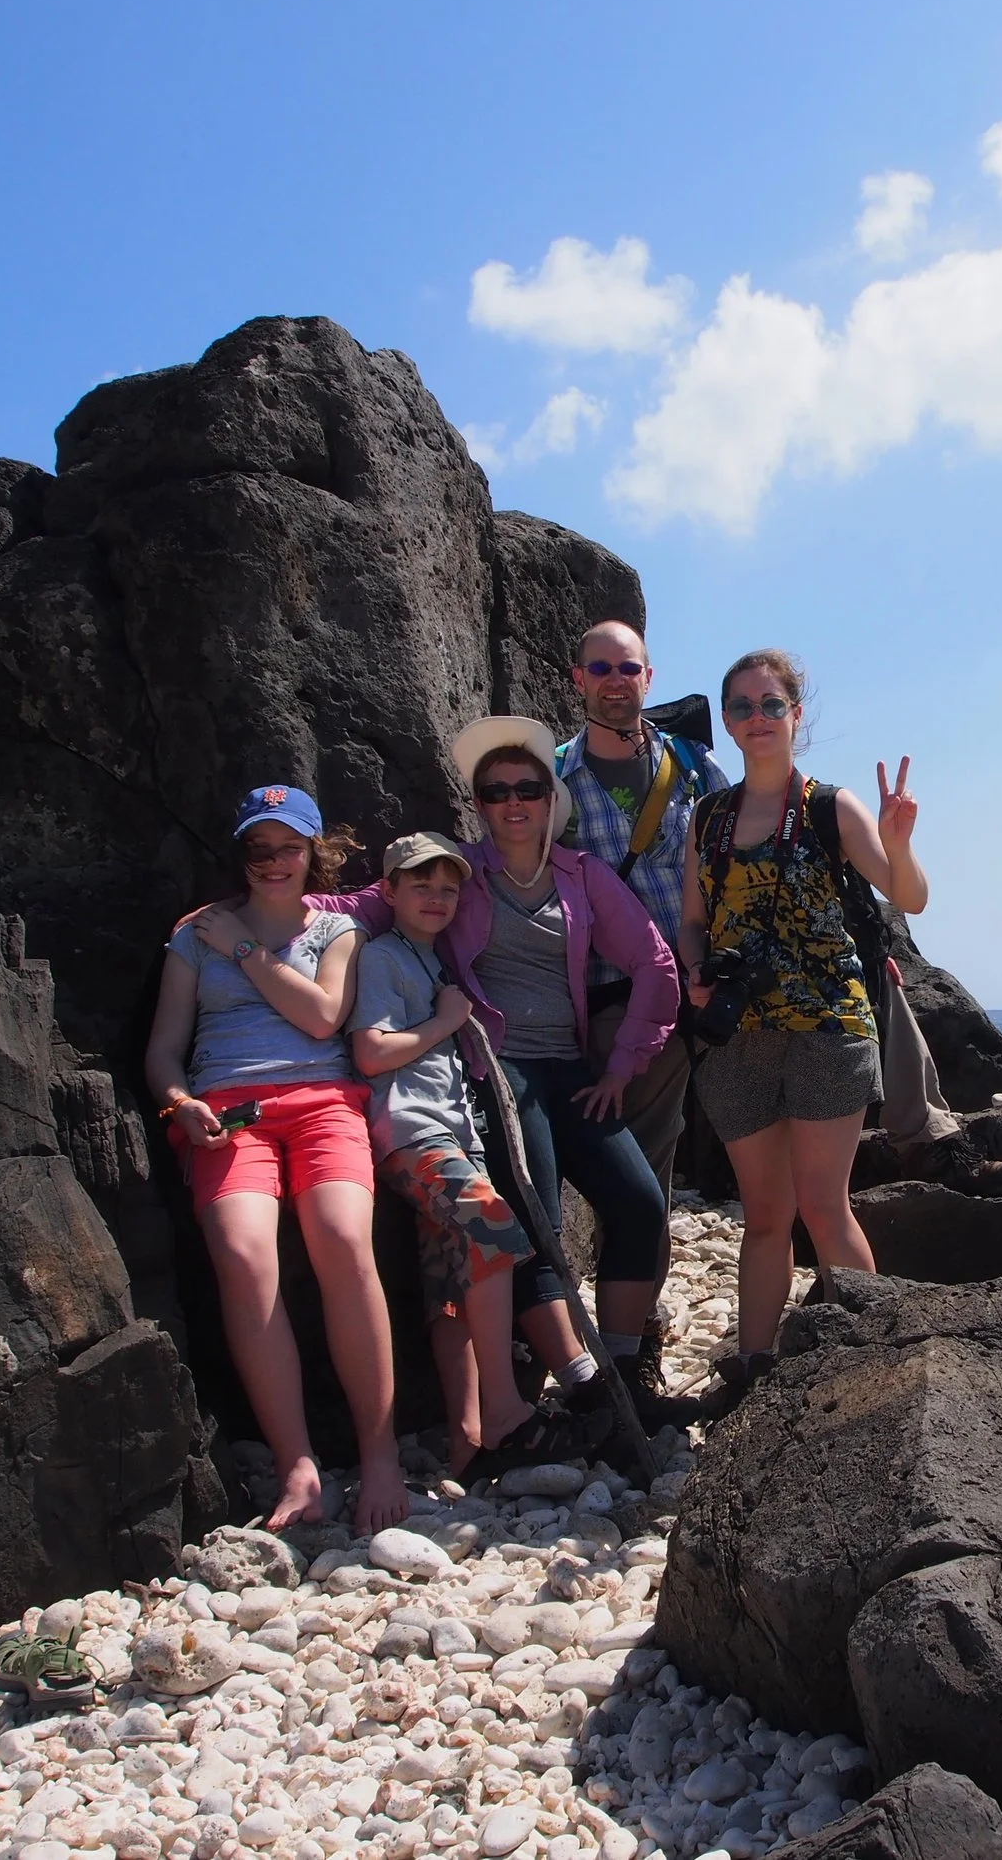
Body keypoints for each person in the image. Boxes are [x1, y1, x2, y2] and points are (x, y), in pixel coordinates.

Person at [313, 716, 696, 1429]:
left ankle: (620, 1373)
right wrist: (249, 919)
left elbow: (655, 963)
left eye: (528, 787)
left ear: (552, 800)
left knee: (640, 1203)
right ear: (481, 804)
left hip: (572, 1069)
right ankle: (591, 1390)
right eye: (496, 790)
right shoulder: (457, 873)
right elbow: (355, 904)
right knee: (539, 1223)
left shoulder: (583, 878)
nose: (513, 801)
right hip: (499, 1070)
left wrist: (622, 1064)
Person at [143, 785, 408, 1534]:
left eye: (288, 846)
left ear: (311, 851)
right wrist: (177, 1101)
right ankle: (298, 1462)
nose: (273, 862)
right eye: (258, 849)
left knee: (344, 1238)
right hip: (227, 1111)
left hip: (324, 1099)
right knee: (243, 1252)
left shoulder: (335, 930)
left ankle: (380, 1451)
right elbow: (165, 1048)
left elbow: (323, 1015)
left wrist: (243, 950)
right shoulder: (193, 934)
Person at [680, 650, 927, 1394]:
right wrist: (693, 975)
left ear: (796, 714)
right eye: (743, 707)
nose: (758, 718)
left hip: (827, 1027)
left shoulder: (831, 805)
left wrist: (898, 839)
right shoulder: (709, 817)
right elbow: (693, 919)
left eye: (771, 704)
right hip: (738, 1036)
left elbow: (909, 899)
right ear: (726, 722)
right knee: (763, 1214)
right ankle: (753, 1372)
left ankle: (873, 1367)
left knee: (822, 1205)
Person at [348, 832, 615, 1475]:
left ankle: (466, 1439)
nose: (437, 899)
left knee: (449, 1283)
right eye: (420, 887)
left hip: (448, 1132)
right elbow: (371, 1051)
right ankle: (504, 1412)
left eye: (448, 889)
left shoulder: (430, 959)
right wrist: (445, 1021)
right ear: (389, 892)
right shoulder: (385, 958)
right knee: (494, 1230)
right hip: (416, 1132)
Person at [553, 619, 729, 1387]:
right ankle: (631, 1349)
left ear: (649, 678)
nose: (617, 679)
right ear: (577, 678)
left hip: (706, 988)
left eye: (630, 667)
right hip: (619, 1001)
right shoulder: (552, 777)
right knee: (642, 1173)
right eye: (602, 667)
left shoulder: (691, 765)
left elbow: (742, 855)